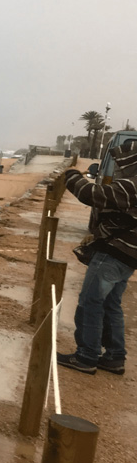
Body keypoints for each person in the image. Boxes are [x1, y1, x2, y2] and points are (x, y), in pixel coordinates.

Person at [58, 139, 137, 375]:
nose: (121, 168)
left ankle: (86, 356)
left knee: (90, 302)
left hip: (114, 254)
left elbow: (92, 194)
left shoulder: (132, 186)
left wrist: (71, 175)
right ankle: (114, 357)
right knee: (111, 304)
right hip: (127, 256)